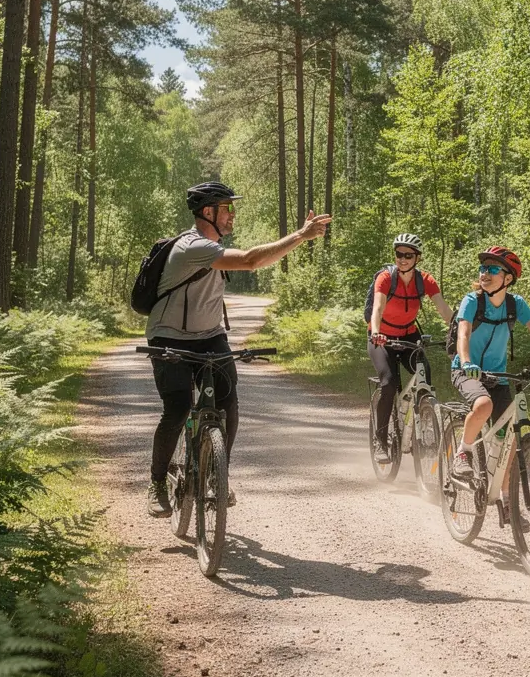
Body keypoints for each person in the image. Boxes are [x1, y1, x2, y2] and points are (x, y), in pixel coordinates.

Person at [145, 181, 330, 517]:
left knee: (228, 403)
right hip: (168, 337)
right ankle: (157, 482)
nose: (232, 215)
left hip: (210, 336)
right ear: (207, 212)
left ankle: (218, 474)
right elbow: (249, 260)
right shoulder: (191, 246)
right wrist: (300, 236)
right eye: (227, 208)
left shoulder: (212, 248)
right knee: (178, 407)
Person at [449, 246, 530, 522]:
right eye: (483, 269)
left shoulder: (517, 305)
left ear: (508, 278)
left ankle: (505, 501)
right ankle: (463, 453)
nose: (485, 274)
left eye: (492, 270)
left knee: (511, 438)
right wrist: (466, 362)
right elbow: (463, 335)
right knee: (483, 404)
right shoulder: (472, 301)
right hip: (466, 371)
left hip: (498, 376)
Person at [368, 233, 453, 462]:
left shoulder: (425, 280)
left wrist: (459, 331)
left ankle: (420, 429)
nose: (403, 259)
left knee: (424, 376)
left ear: (418, 258)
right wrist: (376, 332)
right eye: (399, 254)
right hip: (382, 338)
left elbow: (443, 309)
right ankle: (381, 442)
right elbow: (377, 308)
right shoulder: (386, 278)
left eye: (408, 255)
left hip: (408, 335)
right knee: (389, 384)